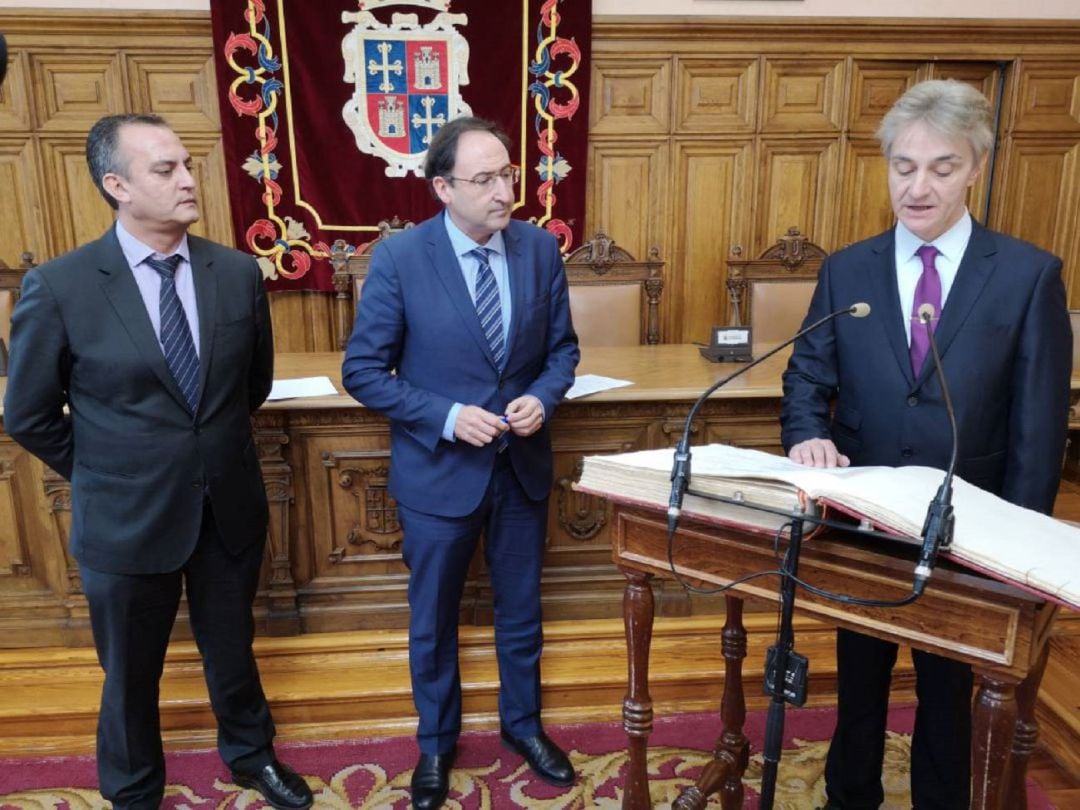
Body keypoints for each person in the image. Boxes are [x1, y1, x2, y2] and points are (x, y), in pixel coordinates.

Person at [3, 114, 313, 810]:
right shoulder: (61, 287)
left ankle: (251, 756)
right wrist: (110, 465)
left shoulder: (234, 273)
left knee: (232, 648)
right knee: (130, 672)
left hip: (227, 503)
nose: (187, 179)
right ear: (116, 185)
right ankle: (133, 789)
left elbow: (250, 385)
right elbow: (26, 413)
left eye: (187, 165)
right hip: (124, 514)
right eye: (165, 169)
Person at [781, 79, 1071, 810]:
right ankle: (853, 797)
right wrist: (809, 435)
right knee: (860, 687)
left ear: (975, 168)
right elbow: (806, 376)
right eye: (903, 166)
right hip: (863, 528)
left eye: (941, 167)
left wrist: (1017, 551)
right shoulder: (847, 268)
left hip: (967, 531)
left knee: (948, 696)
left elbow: (1037, 430)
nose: (918, 185)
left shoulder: (1030, 276)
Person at [341, 116, 580, 809]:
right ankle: (436, 744)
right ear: (443, 188)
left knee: (521, 611)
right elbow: (363, 370)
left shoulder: (538, 250)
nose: (505, 190)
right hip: (438, 474)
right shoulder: (400, 258)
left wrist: (542, 395)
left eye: (508, 173)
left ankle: (523, 728)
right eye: (484, 179)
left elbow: (563, 350)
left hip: (521, 468)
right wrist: (445, 416)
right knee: (434, 618)